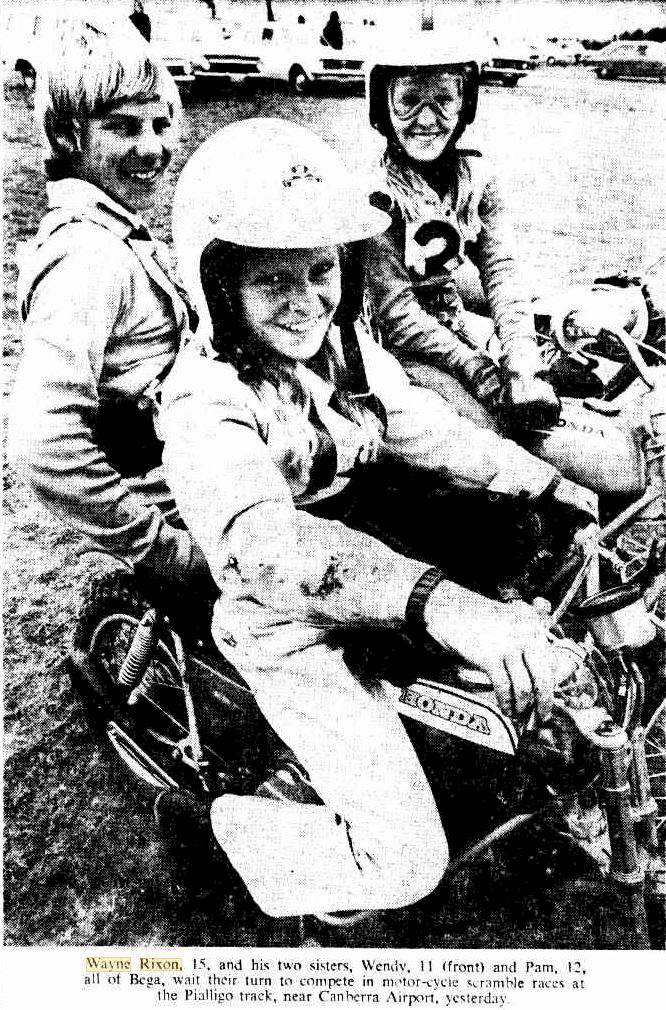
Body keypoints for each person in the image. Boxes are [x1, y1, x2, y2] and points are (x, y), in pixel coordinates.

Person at [156, 118, 590, 918]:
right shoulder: (203, 402)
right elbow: (272, 551)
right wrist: (443, 604)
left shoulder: (342, 346)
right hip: (283, 616)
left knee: (518, 546)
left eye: (321, 270)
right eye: (272, 280)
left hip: (374, 553)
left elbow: (420, 423)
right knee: (406, 863)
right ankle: (209, 831)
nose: (306, 301)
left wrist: (541, 482)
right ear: (220, 286)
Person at [9, 22, 211, 595]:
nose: (152, 148)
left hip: (206, 470)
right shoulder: (88, 255)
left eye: (161, 125)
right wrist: (160, 547)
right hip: (180, 504)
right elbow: (42, 442)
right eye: (123, 127)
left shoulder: (115, 232)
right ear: (67, 135)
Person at [365, 44, 562, 433]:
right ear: (382, 109)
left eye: (443, 101)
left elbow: (501, 268)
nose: (427, 119)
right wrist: (477, 369)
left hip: (449, 325)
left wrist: (521, 358)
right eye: (408, 101)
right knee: (492, 431)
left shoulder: (476, 179)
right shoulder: (377, 195)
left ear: (465, 106)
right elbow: (397, 314)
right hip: (391, 346)